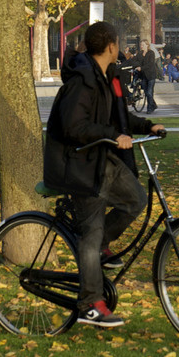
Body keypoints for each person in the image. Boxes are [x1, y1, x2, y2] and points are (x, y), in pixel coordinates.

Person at [43, 21, 162, 328]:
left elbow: (116, 116)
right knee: (91, 233)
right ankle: (90, 305)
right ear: (111, 45)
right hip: (80, 166)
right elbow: (73, 126)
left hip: (100, 158)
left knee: (136, 199)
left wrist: (145, 126)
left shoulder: (107, 75)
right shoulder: (83, 81)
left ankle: (98, 248)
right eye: (118, 43)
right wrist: (113, 134)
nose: (119, 48)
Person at [137, 42, 161, 113]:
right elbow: (134, 60)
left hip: (151, 75)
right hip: (144, 76)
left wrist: (141, 68)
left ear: (147, 45)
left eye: (143, 45)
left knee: (150, 92)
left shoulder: (151, 53)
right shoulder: (140, 54)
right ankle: (153, 104)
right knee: (147, 92)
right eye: (140, 45)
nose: (141, 46)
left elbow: (150, 64)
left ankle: (150, 108)